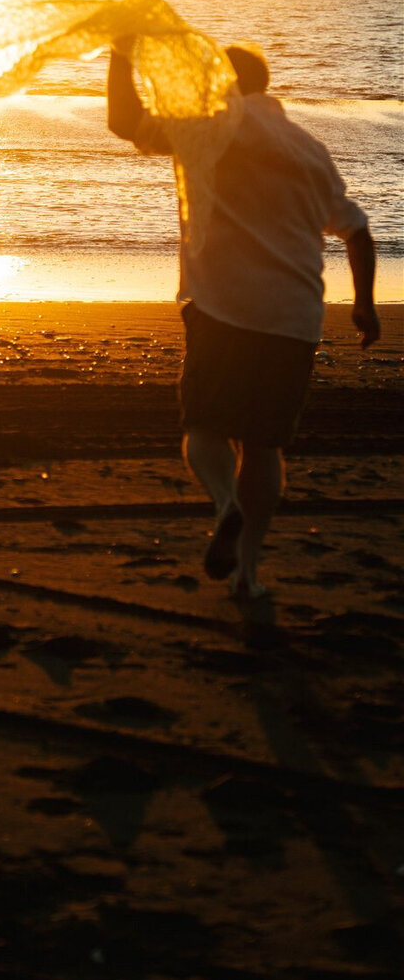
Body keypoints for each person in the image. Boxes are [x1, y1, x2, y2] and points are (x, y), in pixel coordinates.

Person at [107, 41, 380, 598]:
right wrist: (365, 304)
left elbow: (124, 120)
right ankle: (248, 575)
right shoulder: (309, 149)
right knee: (262, 446)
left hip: (224, 306)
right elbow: (357, 230)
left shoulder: (206, 127)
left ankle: (226, 506)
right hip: (295, 316)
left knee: (204, 427)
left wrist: (120, 54)